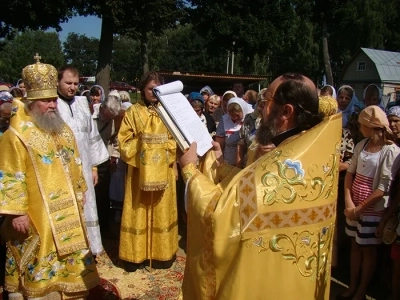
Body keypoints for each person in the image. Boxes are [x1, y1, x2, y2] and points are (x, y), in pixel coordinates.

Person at [179, 73, 341, 299]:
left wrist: (190, 171)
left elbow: (219, 215)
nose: (260, 110)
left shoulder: (283, 166)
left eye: (265, 102)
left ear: (286, 112)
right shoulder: (312, 152)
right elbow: (249, 190)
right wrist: (221, 166)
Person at [0, 59, 99, 299]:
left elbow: (75, 161)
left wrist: (80, 189)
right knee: (39, 254)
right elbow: (9, 175)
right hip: (37, 212)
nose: (53, 105)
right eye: (46, 101)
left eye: (53, 99)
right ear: (32, 103)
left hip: (68, 207)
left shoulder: (62, 129)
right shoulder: (15, 136)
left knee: (71, 253)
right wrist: (17, 212)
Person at [118, 71, 178, 272]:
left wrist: (163, 154)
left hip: (165, 172)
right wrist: (144, 146)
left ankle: (161, 255)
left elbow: (176, 140)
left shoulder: (169, 111)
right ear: (143, 89)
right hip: (139, 174)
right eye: (151, 89)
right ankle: (136, 255)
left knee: (162, 210)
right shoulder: (133, 112)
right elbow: (123, 141)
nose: (154, 92)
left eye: (158, 89)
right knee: (138, 210)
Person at [341, 105, 400, 300]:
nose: (359, 128)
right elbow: (351, 173)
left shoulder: (390, 151)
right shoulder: (362, 145)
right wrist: (349, 203)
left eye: (362, 125)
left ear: (371, 126)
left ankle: (362, 289)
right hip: (354, 205)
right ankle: (352, 284)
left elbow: (382, 188)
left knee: (368, 250)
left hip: (371, 208)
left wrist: (359, 209)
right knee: (355, 246)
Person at [57, 64, 109, 256]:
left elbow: (92, 135)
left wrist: (94, 167)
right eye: (68, 82)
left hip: (85, 167)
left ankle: (89, 249)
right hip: (63, 169)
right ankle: (69, 250)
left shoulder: (81, 103)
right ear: (57, 82)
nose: (72, 87)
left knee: (88, 205)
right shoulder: (52, 104)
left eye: (75, 83)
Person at [93, 91, 122, 238]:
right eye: (106, 116)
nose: (107, 119)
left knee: (103, 195)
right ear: (102, 108)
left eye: (111, 118)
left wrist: (114, 157)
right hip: (89, 159)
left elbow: (116, 139)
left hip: (104, 159)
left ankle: (103, 227)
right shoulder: (89, 114)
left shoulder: (113, 120)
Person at [215, 97, 253, 166]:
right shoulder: (224, 120)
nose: (234, 118)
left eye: (237, 115)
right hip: (228, 163)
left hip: (245, 164)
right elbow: (219, 145)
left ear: (243, 111)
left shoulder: (250, 120)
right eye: (231, 115)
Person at [236, 88, 266, 168]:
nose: (261, 108)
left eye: (265, 105)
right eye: (260, 104)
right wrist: (238, 168)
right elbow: (241, 145)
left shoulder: (278, 121)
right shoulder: (249, 119)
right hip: (248, 167)